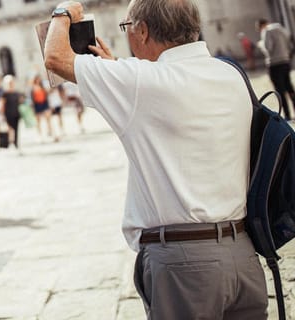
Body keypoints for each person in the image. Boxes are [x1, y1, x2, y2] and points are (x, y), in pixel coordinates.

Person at [45, 0, 267, 318]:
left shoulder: (140, 83)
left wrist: (63, 12)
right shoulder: (230, 74)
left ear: (143, 30)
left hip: (185, 265)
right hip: (242, 255)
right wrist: (116, 70)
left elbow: (55, 58)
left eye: (127, 27)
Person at [258, 18, 295, 120]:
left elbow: (268, 48)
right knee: (289, 88)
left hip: (274, 64)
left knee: (280, 90)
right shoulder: (281, 29)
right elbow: (291, 44)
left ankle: (287, 115)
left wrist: (261, 45)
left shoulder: (266, 31)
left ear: (261, 26)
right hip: (285, 61)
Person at [0, 75, 24, 149]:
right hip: (8, 114)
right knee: (10, 129)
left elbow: (20, 102)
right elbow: (2, 105)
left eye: (12, 82)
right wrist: (2, 115)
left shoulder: (16, 92)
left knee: (16, 129)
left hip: (16, 113)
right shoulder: (4, 94)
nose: (11, 84)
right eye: (9, 83)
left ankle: (16, 143)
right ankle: (10, 142)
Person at [31, 75, 54, 141]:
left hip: (44, 104)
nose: (38, 81)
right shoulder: (33, 88)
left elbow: (47, 95)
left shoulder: (43, 87)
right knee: (38, 121)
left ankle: (50, 132)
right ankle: (40, 134)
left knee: (48, 118)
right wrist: (33, 108)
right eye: (37, 79)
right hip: (37, 105)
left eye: (39, 79)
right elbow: (32, 99)